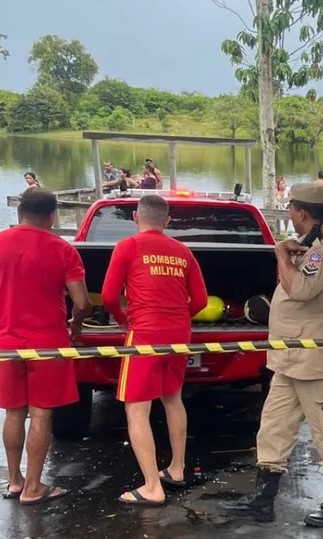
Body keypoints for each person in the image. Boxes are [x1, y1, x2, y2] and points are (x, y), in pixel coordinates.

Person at [220, 184, 323, 528]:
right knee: (273, 428)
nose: (290, 217)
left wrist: (282, 255)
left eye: (292, 211)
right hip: (290, 359)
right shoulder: (312, 245)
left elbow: (299, 290)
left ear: (301, 213)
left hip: (318, 361)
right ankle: (263, 500)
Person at [101, 195, 209, 506]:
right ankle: (177, 469)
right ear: (167, 221)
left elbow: (109, 296)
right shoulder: (183, 251)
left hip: (144, 333)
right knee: (172, 398)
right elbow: (200, 301)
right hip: (179, 335)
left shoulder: (128, 246)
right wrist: (178, 318)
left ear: (136, 217)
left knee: (137, 408)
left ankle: (151, 487)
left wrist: (125, 320)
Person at [0, 188, 92, 505]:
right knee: (40, 415)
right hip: (48, 344)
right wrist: (76, 324)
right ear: (52, 217)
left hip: (6, 344)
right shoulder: (62, 250)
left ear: (19, 213)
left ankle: (14, 481)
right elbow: (81, 302)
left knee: (14, 413)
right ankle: (33, 488)